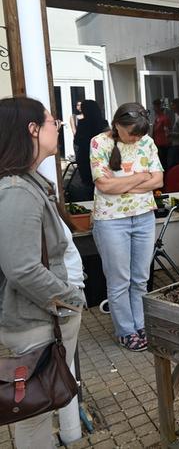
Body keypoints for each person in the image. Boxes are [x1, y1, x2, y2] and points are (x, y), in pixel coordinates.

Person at [0, 97, 86, 449]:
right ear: (32, 129)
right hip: (38, 322)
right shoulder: (17, 192)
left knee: (44, 403)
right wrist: (70, 300)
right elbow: (21, 268)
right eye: (52, 121)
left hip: (46, 319)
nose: (59, 126)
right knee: (33, 415)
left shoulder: (29, 182)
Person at [90, 102, 163, 351]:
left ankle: (141, 325)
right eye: (130, 133)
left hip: (144, 216)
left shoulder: (147, 142)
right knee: (119, 279)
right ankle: (125, 330)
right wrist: (142, 177)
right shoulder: (99, 142)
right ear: (117, 125)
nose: (135, 139)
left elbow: (159, 180)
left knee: (141, 278)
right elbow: (104, 186)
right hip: (111, 221)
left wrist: (122, 183)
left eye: (139, 134)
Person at [73, 99, 108, 199]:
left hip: (86, 155)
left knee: (88, 183)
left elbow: (77, 141)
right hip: (102, 155)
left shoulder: (83, 123)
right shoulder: (103, 122)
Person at [152, 98, 171, 169]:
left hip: (163, 145)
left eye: (155, 107)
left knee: (163, 164)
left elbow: (167, 132)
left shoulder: (164, 118)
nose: (154, 109)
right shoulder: (157, 118)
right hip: (157, 144)